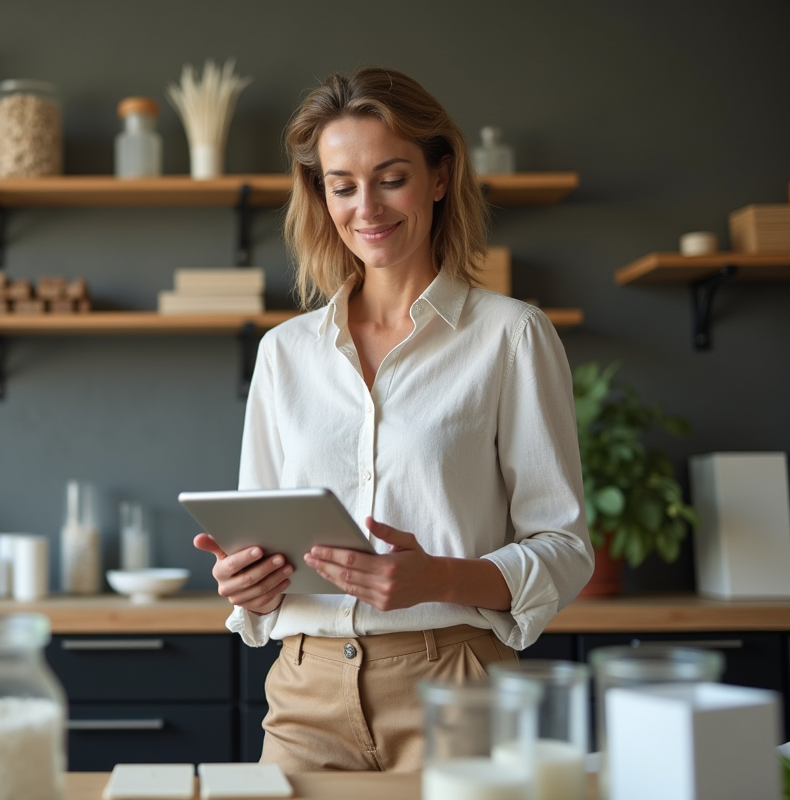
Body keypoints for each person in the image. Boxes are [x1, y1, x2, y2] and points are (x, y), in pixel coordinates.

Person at [192, 66, 593, 773]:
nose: (366, 207)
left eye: (391, 177)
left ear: (440, 176)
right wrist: (245, 580)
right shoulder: (285, 353)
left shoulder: (511, 336)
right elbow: (259, 531)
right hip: (304, 693)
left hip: (459, 687)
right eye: (341, 185)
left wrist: (438, 577)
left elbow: (563, 548)